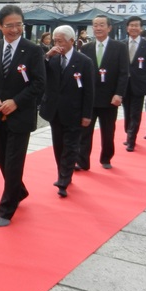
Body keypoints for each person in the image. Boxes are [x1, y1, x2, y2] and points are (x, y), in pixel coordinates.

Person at [0, 5, 46, 226]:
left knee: (13, 163)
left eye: (19, 24)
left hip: (21, 116)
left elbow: (39, 83)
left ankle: (7, 208)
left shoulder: (33, 50)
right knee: (2, 160)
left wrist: (16, 102)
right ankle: (19, 190)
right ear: (0, 26)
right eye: (9, 25)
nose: (15, 29)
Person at [39, 25, 94, 197]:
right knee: (58, 146)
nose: (57, 44)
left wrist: (87, 114)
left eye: (60, 41)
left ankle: (64, 179)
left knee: (71, 146)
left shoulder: (84, 61)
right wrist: (47, 56)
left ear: (71, 41)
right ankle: (61, 173)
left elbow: (89, 91)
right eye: (55, 41)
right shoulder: (52, 59)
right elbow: (38, 72)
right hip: (54, 111)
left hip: (74, 112)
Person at [79, 14, 129, 170]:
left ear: (109, 28)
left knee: (108, 132)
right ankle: (82, 161)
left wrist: (119, 94)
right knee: (85, 132)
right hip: (90, 98)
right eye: (95, 25)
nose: (98, 28)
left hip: (110, 98)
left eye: (101, 25)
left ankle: (106, 158)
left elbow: (123, 73)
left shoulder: (119, 47)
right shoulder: (85, 48)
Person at [122, 15, 146, 152]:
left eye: (136, 25)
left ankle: (132, 140)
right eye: (131, 25)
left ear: (141, 28)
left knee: (135, 113)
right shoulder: (121, 44)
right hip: (124, 84)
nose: (134, 28)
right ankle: (128, 133)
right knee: (127, 112)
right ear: (127, 28)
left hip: (140, 84)